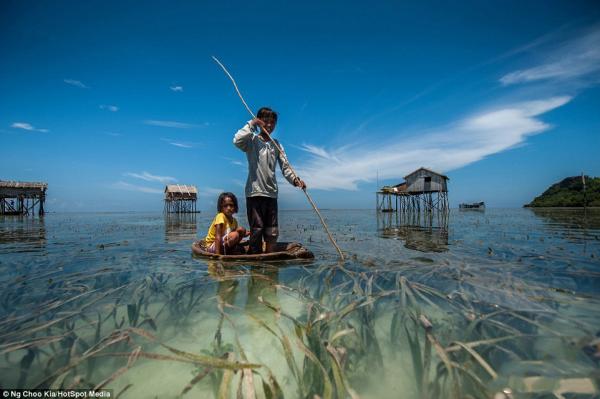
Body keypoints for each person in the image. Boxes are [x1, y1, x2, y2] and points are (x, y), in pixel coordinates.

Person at [234, 107, 306, 254]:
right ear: (260, 122)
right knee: (257, 229)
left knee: (272, 231)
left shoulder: (277, 144)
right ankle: (256, 262)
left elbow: (286, 167)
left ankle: (270, 262)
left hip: (271, 194)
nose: (269, 125)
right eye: (265, 121)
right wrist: (251, 123)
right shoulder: (252, 141)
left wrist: (295, 180)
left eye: (272, 122)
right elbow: (237, 140)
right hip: (254, 193)